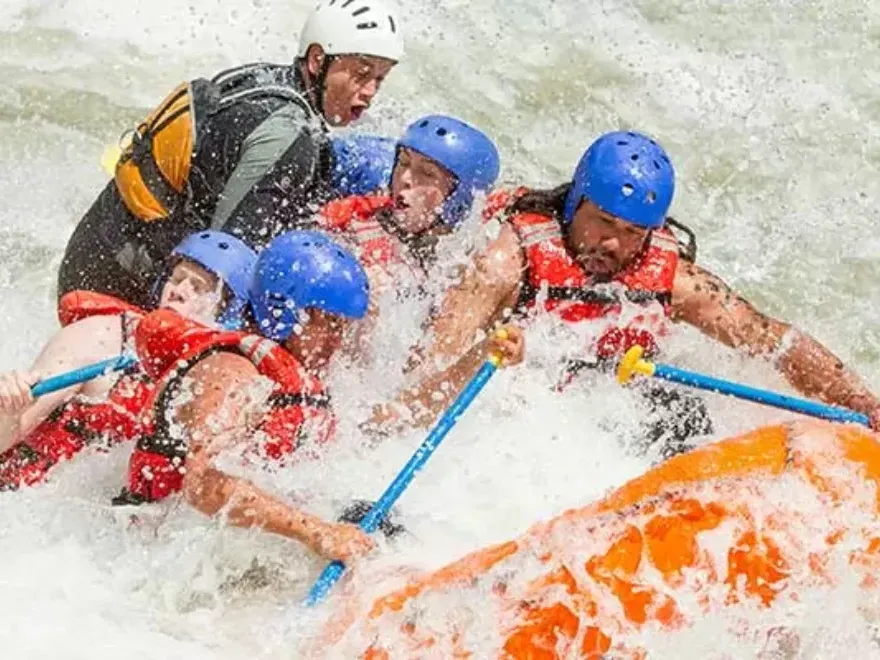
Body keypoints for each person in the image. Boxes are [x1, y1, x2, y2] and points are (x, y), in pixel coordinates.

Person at [383, 130, 880, 455]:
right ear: (576, 201)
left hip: (612, 414)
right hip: (510, 426)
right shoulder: (503, 265)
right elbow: (411, 398)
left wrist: (864, 403)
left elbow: (774, 342)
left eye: (634, 232)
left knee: (681, 415)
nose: (615, 245)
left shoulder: (672, 277)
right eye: (603, 223)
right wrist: (484, 358)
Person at [113, 230, 523, 563]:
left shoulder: (301, 385)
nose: (338, 337)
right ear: (283, 312)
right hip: (156, 556)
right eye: (327, 322)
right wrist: (318, 534)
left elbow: (401, 415)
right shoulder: (233, 371)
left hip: (222, 555)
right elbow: (201, 485)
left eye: (342, 324)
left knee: (386, 528)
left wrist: (479, 358)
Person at [57, 0, 404, 308]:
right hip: (112, 288)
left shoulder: (264, 79)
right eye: (361, 74)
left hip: (93, 248)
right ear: (317, 60)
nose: (370, 92)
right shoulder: (291, 139)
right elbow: (223, 260)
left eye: (380, 79)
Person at [0, 230, 257, 490]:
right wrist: (10, 410)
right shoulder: (100, 337)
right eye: (177, 279)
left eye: (198, 288)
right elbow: (9, 433)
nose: (178, 292)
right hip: (23, 494)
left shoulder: (225, 379)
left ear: (227, 313)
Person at [318, 114, 500, 294]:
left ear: (458, 201)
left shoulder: (465, 269)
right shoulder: (355, 215)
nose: (405, 178)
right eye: (403, 162)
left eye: (427, 173)